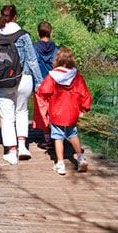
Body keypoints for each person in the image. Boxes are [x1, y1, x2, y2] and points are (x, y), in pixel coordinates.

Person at [0, 5, 43, 165]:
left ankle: (11, 152)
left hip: (1, 82)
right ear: (15, 17)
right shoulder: (23, 35)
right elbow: (32, 60)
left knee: (7, 116)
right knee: (22, 111)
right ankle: (23, 147)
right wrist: (40, 83)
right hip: (23, 79)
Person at [36, 46, 92, 175]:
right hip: (72, 111)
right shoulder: (76, 75)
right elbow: (85, 94)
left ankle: (60, 164)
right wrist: (84, 108)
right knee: (72, 134)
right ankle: (80, 157)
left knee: (57, 137)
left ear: (58, 60)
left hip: (56, 111)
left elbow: (43, 91)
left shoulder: (52, 76)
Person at [32, 21, 58, 148]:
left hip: (39, 85)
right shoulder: (57, 50)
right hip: (54, 85)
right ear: (51, 33)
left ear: (38, 33)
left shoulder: (33, 48)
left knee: (42, 111)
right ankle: (56, 137)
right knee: (54, 110)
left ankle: (47, 138)